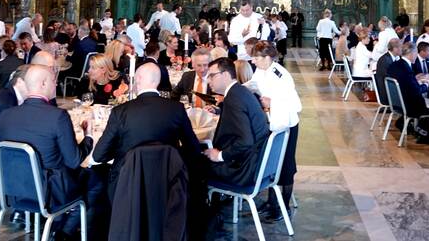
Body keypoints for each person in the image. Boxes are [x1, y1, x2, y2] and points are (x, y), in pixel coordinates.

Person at [0, 64, 96, 238]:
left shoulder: (6, 115)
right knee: (96, 181)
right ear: (43, 84)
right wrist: (88, 137)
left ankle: (55, 224)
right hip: (49, 192)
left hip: (14, 190)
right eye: (53, 81)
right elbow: (74, 160)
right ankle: (64, 232)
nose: (56, 85)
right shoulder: (57, 116)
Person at [90, 61, 201, 188]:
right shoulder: (177, 109)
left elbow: (98, 155)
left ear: (138, 79)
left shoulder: (120, 111)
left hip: (126, 185)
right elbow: (193, 148)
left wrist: (120, 151)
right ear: (157, 81)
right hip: (168, 181)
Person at [246, 42, 301, 222]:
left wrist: (272, 103)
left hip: (286, 126)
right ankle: (271, 203)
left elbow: (295, 105)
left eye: (256, 58)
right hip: (272, 123)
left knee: (285, 167)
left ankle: (283, 208)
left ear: (267, 57)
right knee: (271, 165)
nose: (253, 61)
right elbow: (255, 84)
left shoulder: (281, 76)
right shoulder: (262, 70)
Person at [205, 58, 269, 187]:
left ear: (226, 75)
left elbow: (245, 141)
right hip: (259, 164)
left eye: (212, 76)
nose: (208, 80)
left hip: (244, 170)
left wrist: (219, 156)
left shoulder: (234, 98)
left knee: (191, 162)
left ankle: (205, 206)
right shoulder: (240, 91)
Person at [387, 44, 429, 142]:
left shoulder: (395, 65)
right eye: (416, 53)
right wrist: (427, 85)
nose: (416, 56)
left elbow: (406, 83)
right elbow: (416, 91)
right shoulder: (406, 69)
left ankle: (405, 123)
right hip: (409, 105)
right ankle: (426, 132)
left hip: (397, 102)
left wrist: (416, 80)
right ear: (411, 53)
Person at [375, 38, 401, 105]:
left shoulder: (391, 58)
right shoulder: (385, 60)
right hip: (387, 95)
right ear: (395, 48)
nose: (402, 50)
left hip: (390, 90)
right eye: (401, 47)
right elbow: (390, 78)